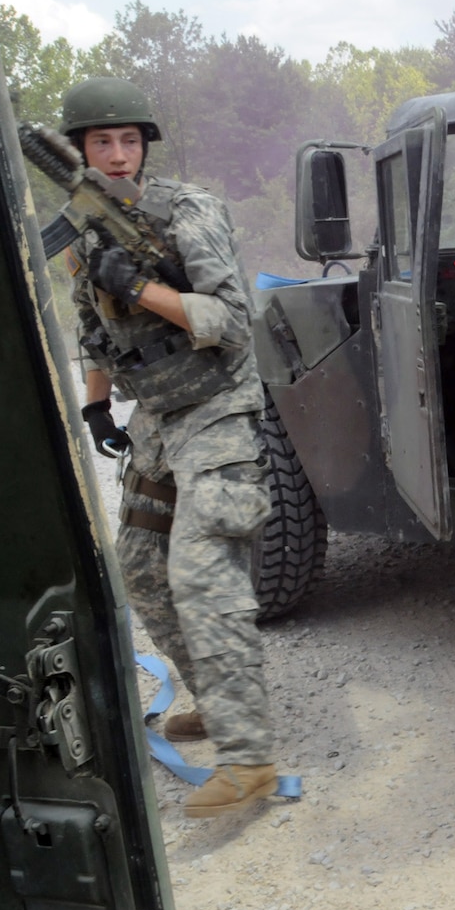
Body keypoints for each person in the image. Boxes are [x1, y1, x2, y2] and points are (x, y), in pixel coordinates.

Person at [59, 76, 279, 819]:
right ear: (80, 152)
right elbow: (92, 326)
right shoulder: (81, 227)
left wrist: (144, 287)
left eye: (128, 141)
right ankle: (218, 705)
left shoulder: (188, 211)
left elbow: (229, 318)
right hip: (157, 412)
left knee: (200, 568)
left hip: (216, 403)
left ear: (145, 147)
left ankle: (247, 756)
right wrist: (96, 405)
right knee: (144, 570)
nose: (117, 155)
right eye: (101, 142)